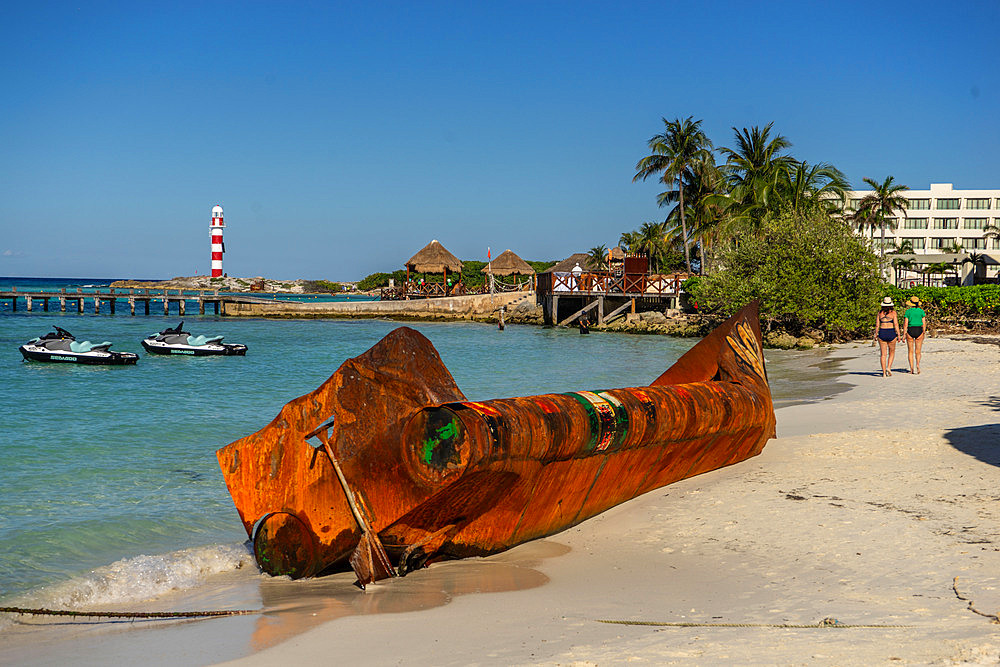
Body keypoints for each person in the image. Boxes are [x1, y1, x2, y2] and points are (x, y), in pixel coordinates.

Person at [875, 296, 901, 377]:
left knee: (883, 354)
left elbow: (877, 325)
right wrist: (899, 335)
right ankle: (889, 367)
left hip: (882, 332)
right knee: (892, 352)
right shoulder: (893, 313)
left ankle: (883, 373)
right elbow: (896, 324)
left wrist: (875, 335)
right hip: (891, 332)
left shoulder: (880, 313)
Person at [903, 296, 927, 374]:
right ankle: (918, 365)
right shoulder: (921, 311)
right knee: (918, 351)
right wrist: (923, 331)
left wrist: (904, 334)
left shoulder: (908, 312)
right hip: (919, 329)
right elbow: (924, 323)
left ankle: (911, 368)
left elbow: (905, 324)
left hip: (910, 329)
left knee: (910, 351)